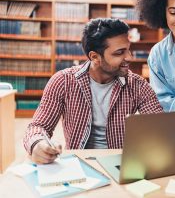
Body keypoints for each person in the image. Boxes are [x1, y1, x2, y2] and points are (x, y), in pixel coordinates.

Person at [23, 18, 163, 164]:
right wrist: (37, 144)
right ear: (95, 57)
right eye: (119, 52)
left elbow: (160, 128)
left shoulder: (138, 85)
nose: (129, 57)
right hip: (78, 163)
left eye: (128, 49)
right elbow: (38, 126)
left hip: (120, 164)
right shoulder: (63, 81)